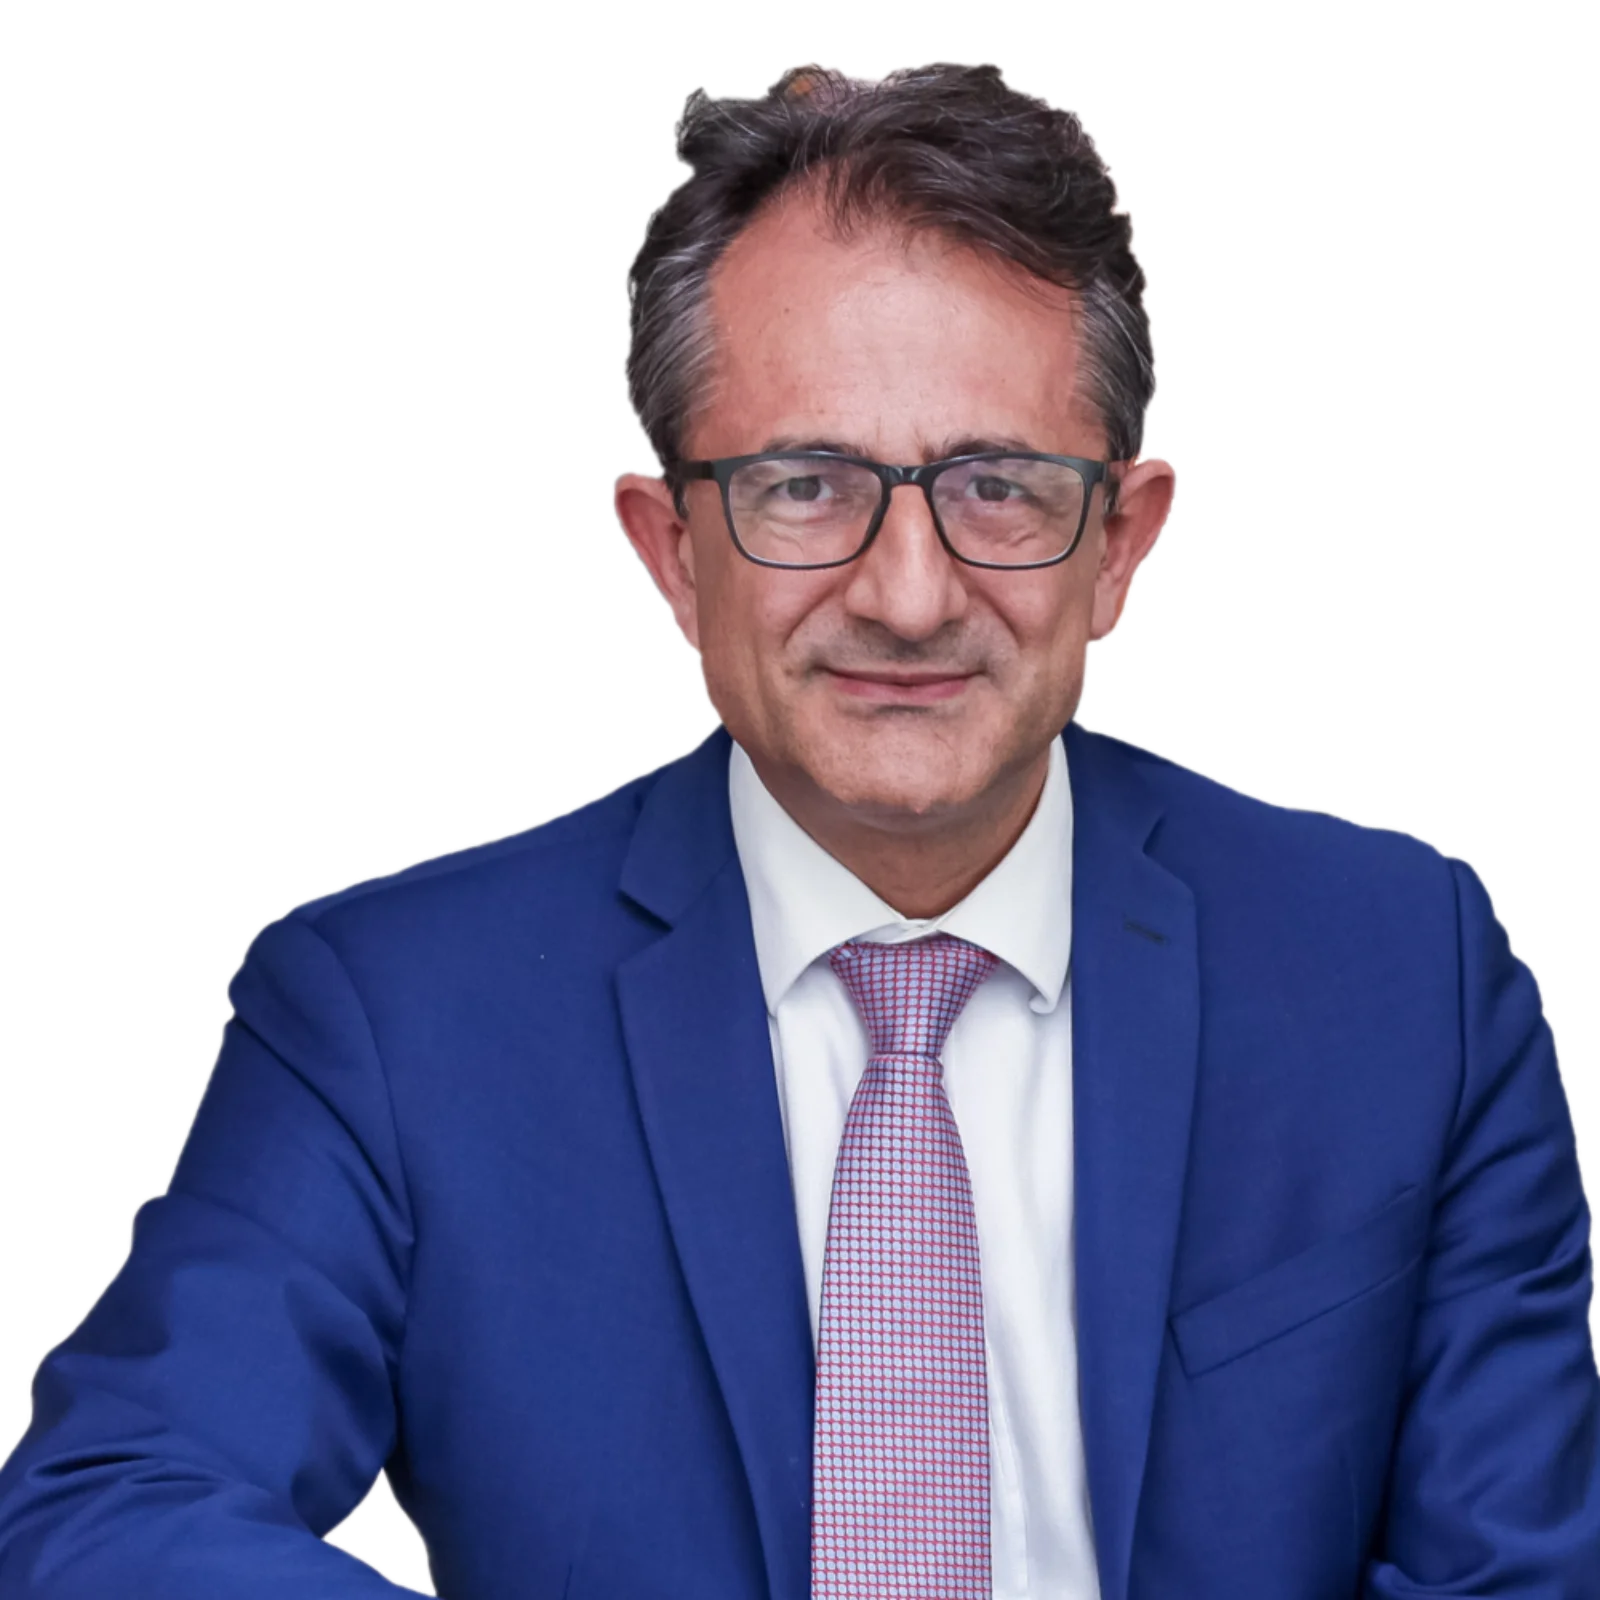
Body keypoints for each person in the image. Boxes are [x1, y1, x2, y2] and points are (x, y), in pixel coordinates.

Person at [2, 60, 1595, 1600]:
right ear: (671, 548)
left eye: (999, 486)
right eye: (806, 487)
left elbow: (1518, 1573)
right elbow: (115, 1507)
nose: (907, 594)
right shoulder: (391, 1017)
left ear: (1120, 541)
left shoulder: (1406, 976)